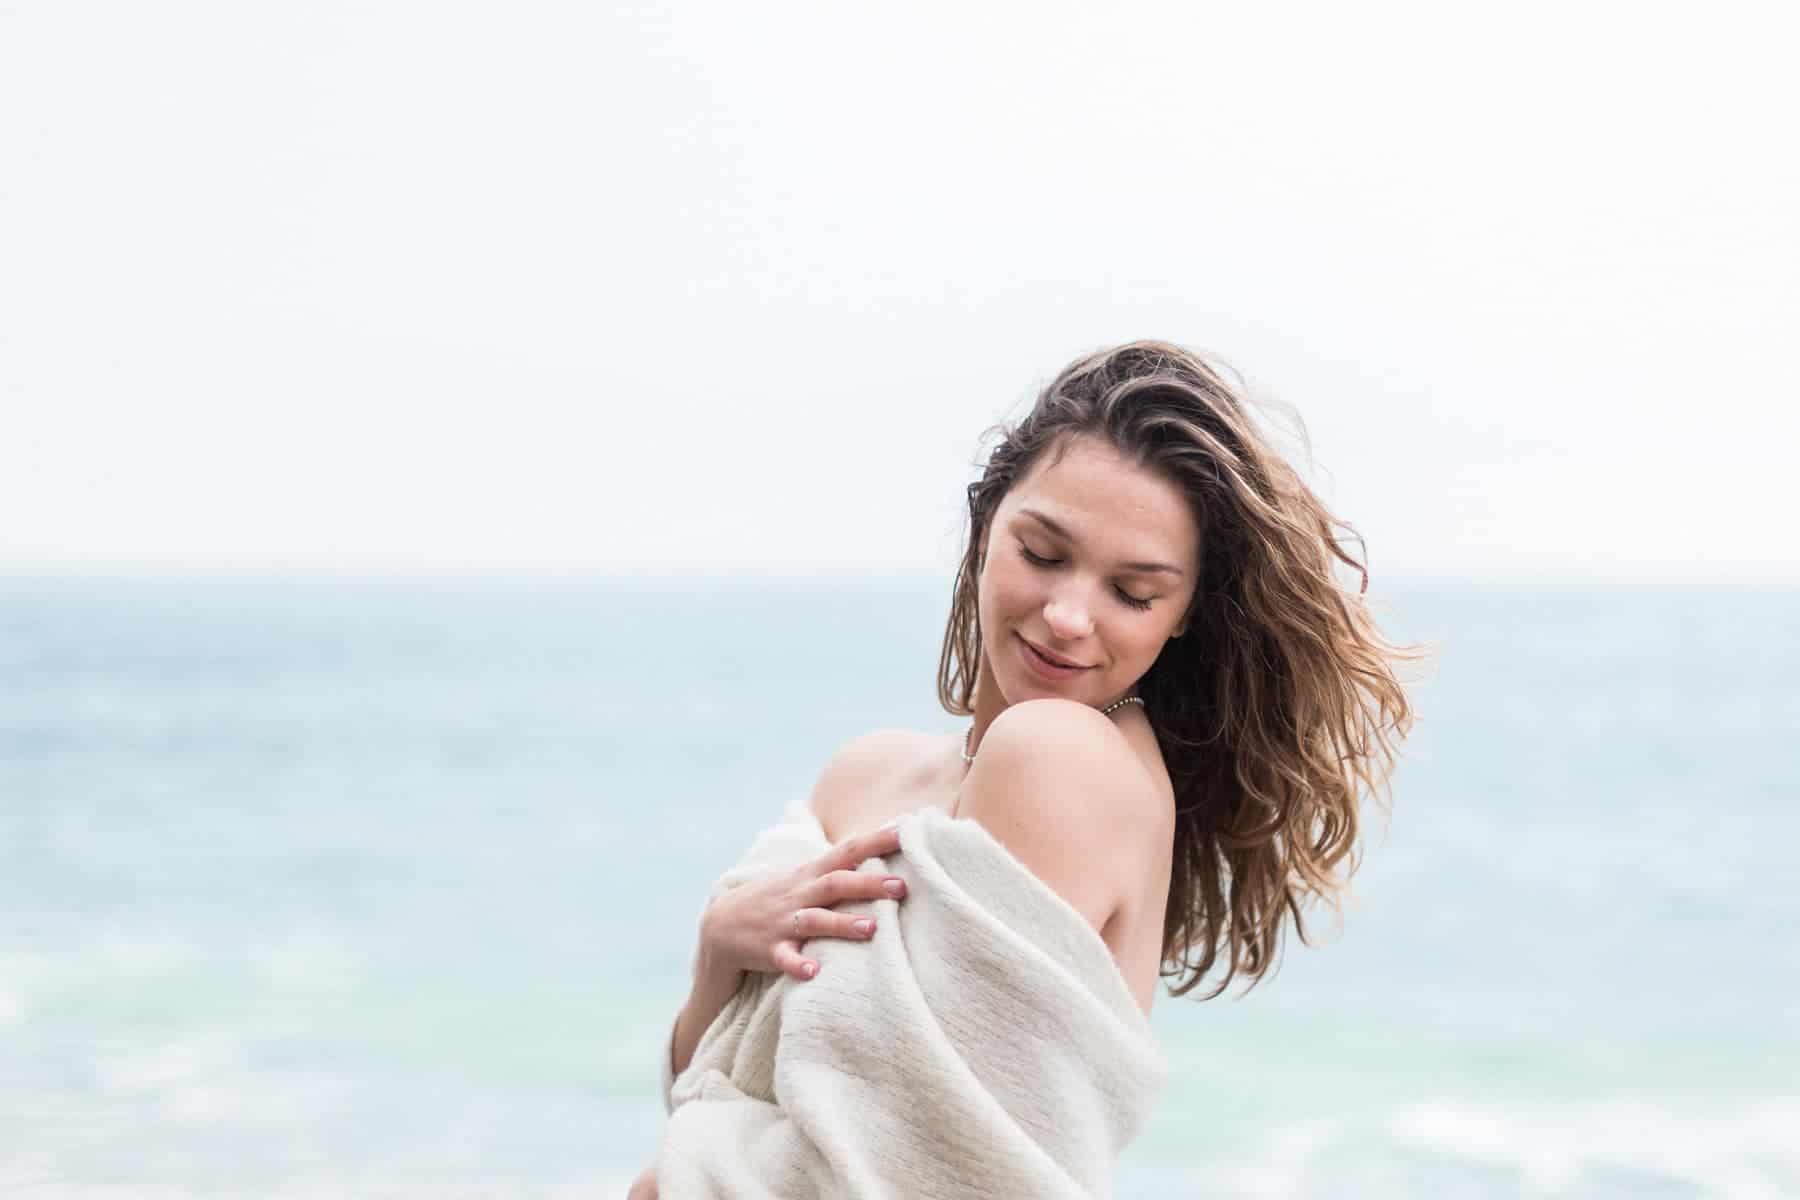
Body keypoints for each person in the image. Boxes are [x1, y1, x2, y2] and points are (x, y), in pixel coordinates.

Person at [631, 340, 1414, 1198]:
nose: (1069, 616)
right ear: (986, 522)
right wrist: (717, 956)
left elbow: (896, 1175)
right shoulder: (864, 775)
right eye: (1042, 554)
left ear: (1185, 615)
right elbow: (709, 1088)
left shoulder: (1061, 760)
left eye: (1134, 592)